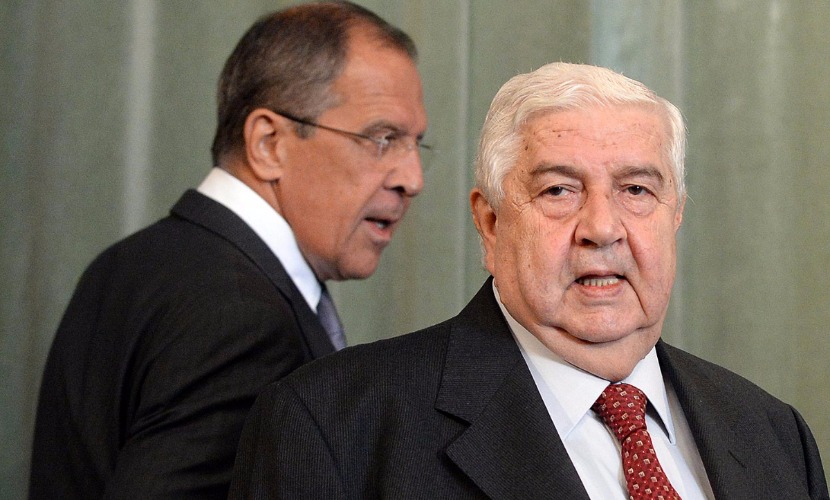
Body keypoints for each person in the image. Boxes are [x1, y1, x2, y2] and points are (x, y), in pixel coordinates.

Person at [229, 62, 828, 499]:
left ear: (675, 216)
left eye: (636, 189)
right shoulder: (332, 425)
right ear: (490, 224)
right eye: (559, 190)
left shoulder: (775, 435)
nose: (602, 228)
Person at [28, 2, 427, 498]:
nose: (413, 179)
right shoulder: (244, 321)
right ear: (268, 143)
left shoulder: (130, 262)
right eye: (383, 138)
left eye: (417, 143)